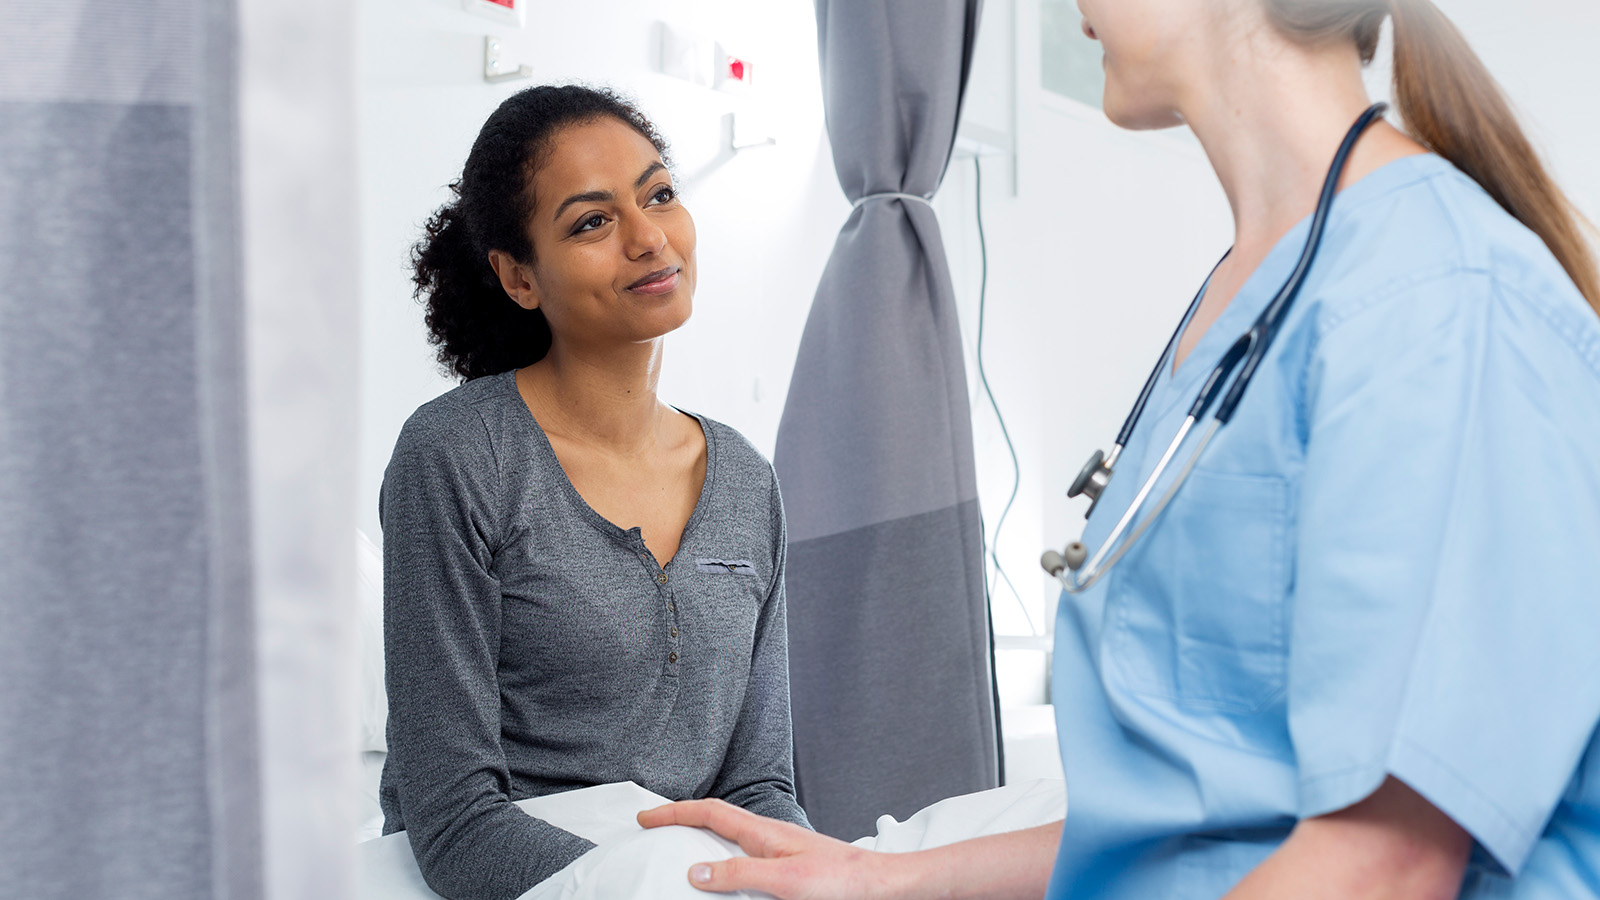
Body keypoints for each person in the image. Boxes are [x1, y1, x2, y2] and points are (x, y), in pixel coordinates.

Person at [639, 0, 1600, 897]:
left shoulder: (1440, 299)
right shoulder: (1248, 287)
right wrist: (875, 875)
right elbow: (1186, 814)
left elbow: (1384, 863)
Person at [379, 85, 810, 900]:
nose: (650, 239)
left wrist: (822, 876)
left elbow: (759, 788)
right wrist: (651, 889)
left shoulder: (747, 480)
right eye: (592, 222)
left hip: (690, 878)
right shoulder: (457, 456)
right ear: (518, 277)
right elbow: (454, 818)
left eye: (659, 195)